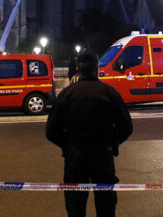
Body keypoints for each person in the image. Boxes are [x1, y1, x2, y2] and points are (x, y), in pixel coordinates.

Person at [46, 52, 133, 217]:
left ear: (78, 69)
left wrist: (67, 146)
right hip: (103, 156)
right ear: (96, 68)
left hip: (75, 159)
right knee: (106, 207)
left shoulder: (66, 94)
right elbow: (127, 127)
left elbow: (51, 131)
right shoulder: (109, 93)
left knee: (75, 208)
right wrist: (112, 143)